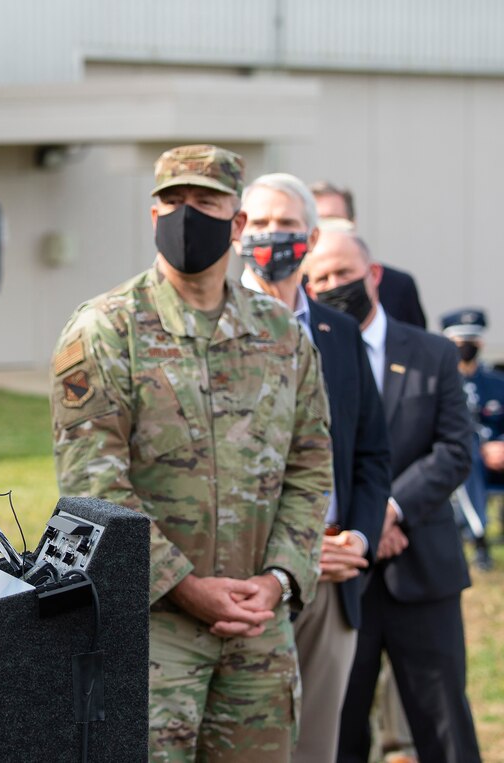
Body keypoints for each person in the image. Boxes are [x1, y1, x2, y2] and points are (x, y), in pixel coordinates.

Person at [50, 144, 333, 761]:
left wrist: (280, 578)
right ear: (153, 217)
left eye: (204, 203)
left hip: (259, 630)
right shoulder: (106, 327)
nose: (186, 215)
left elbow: (311, 468)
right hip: (155, 630)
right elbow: (92, 484)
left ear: (237, 226)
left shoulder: (282, 335)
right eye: (172, 202)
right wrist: (182, 584)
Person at [302, 227, 481, 762]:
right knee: (337, 731)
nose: (335, 285)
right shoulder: (302, 355)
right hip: (338, 579)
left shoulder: (430, 353)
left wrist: (386, 511)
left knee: (444, 724)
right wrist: (357, 525)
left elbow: (455, 448)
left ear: (373, 275)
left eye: (345, 274)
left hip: (421, 570)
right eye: (322, 278)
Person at [238, 173, 391, 763]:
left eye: (288, 225)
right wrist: (292, 553)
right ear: (238, 233)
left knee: (317, 748)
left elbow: (372, 454)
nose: (275, 236)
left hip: (333, 584)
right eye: (262, 223)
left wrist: (361, 536)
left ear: (311, 235)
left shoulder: (339, 332)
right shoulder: (212, 328)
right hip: (251, 579)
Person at [310, 181, 427, 329]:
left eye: (333, 221)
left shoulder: (397, 286)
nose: (325, 230)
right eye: (317, 222)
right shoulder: (293, 290)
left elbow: (416, 345)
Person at [441, 307, 504, 571]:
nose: (466, 346)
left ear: (480, 343)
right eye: (460, 341)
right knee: (468, 456)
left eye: (471, 340)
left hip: (499, 455)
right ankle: (478, 539)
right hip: (466, 459)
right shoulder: (441, 382)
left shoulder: (496, 381)